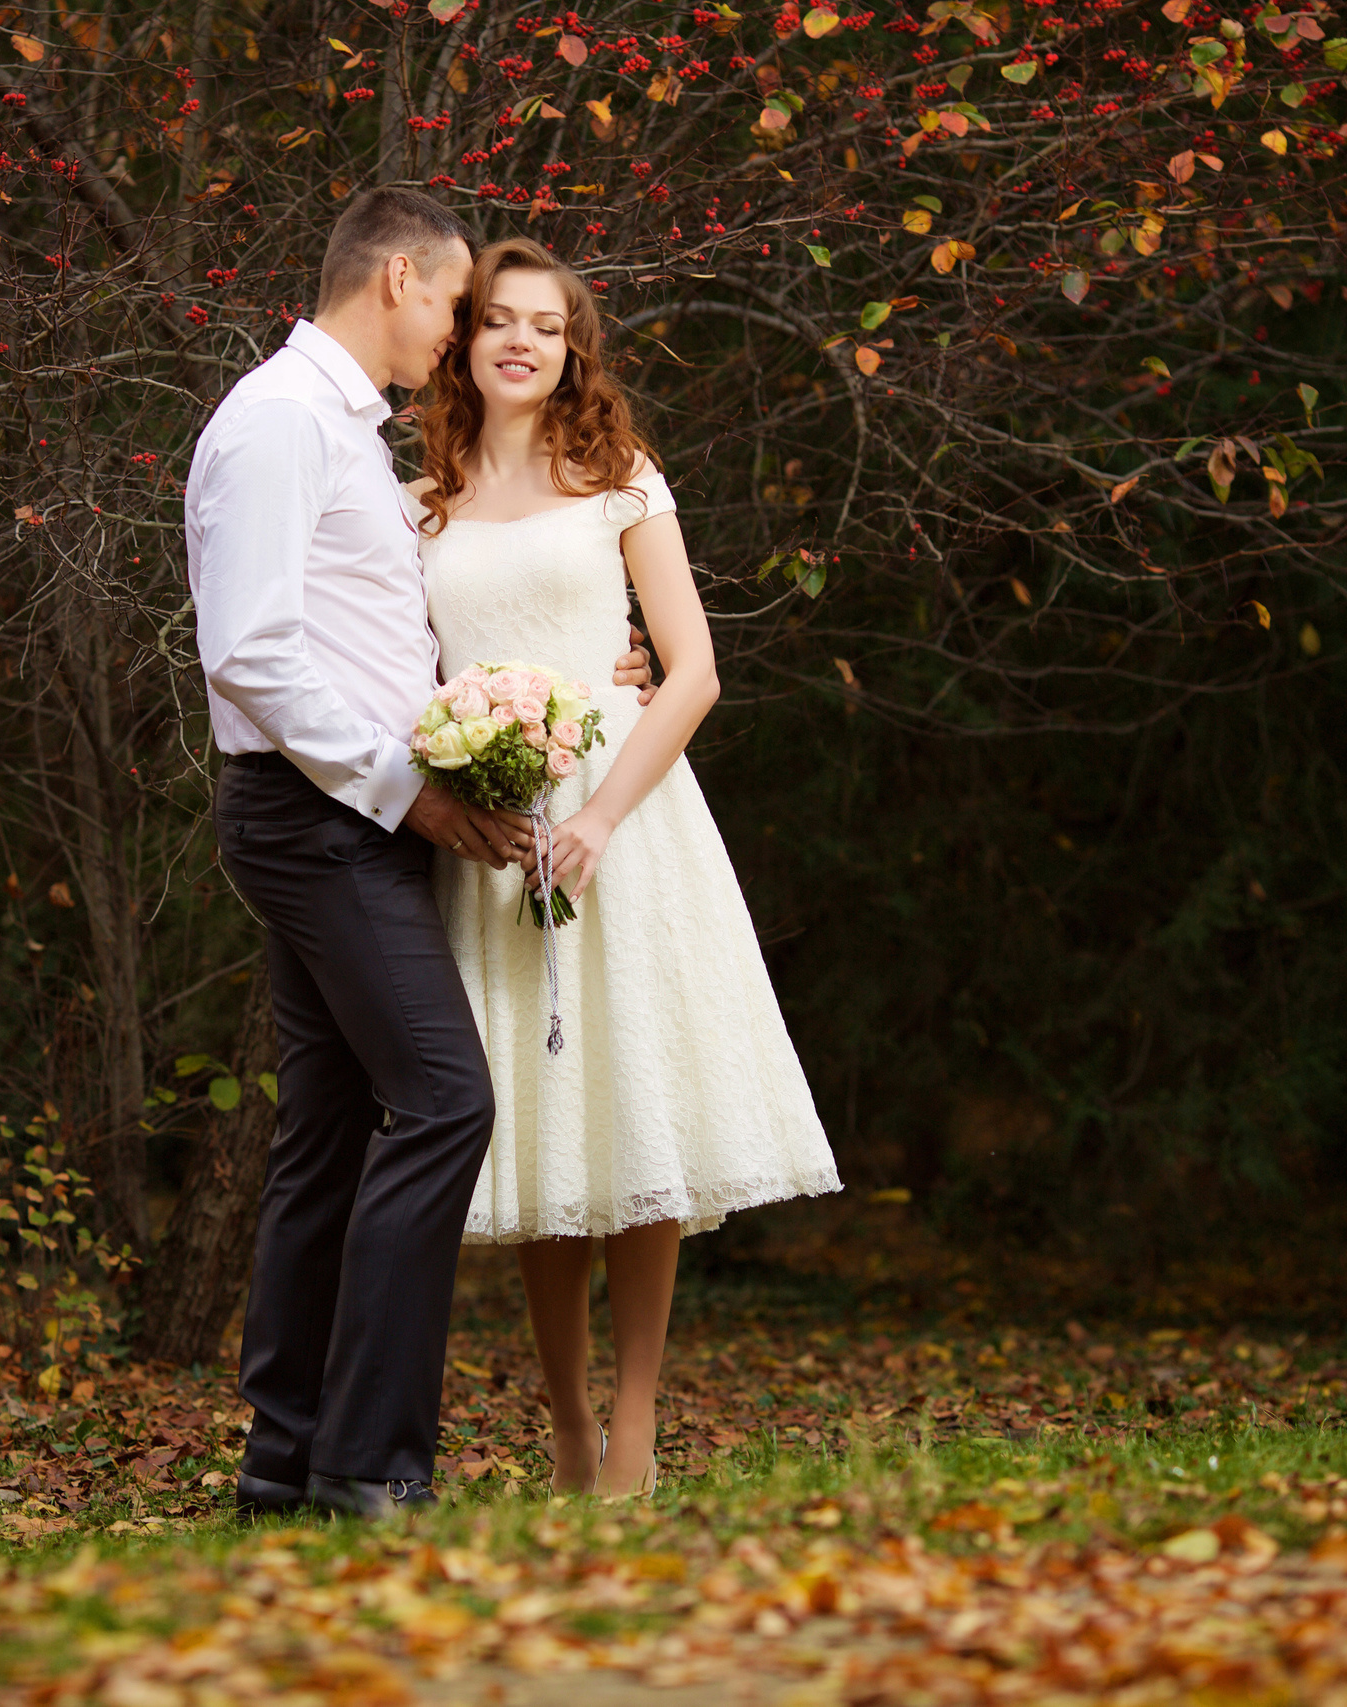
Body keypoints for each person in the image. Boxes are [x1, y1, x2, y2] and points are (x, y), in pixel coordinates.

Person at [185, 192, 656, 1520]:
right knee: (447, 1099)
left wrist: (591, 673)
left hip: (350, 817)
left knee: (329, 1136)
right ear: (397, 278)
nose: (459, 337)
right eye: (455, 306)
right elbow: (252, 651)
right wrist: (410, 795)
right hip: (320, 819)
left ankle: (286, 1465)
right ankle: (368, 1461)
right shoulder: (281, 423)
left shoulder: (344, 433)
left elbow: (392, 634)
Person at [406, 237, 841, 1501]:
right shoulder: (415, 500)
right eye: (498, 322)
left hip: (623, 816)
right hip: (490, 825)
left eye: (546, 325)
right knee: (547, 1135)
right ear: (465, 342)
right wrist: (455, 759)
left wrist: (596, 815)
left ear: (571, 349)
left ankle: (638, 1429)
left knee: (636, 1105)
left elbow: (692, 668)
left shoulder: (619, 479)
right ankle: (564, 1435)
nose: (522, 342)